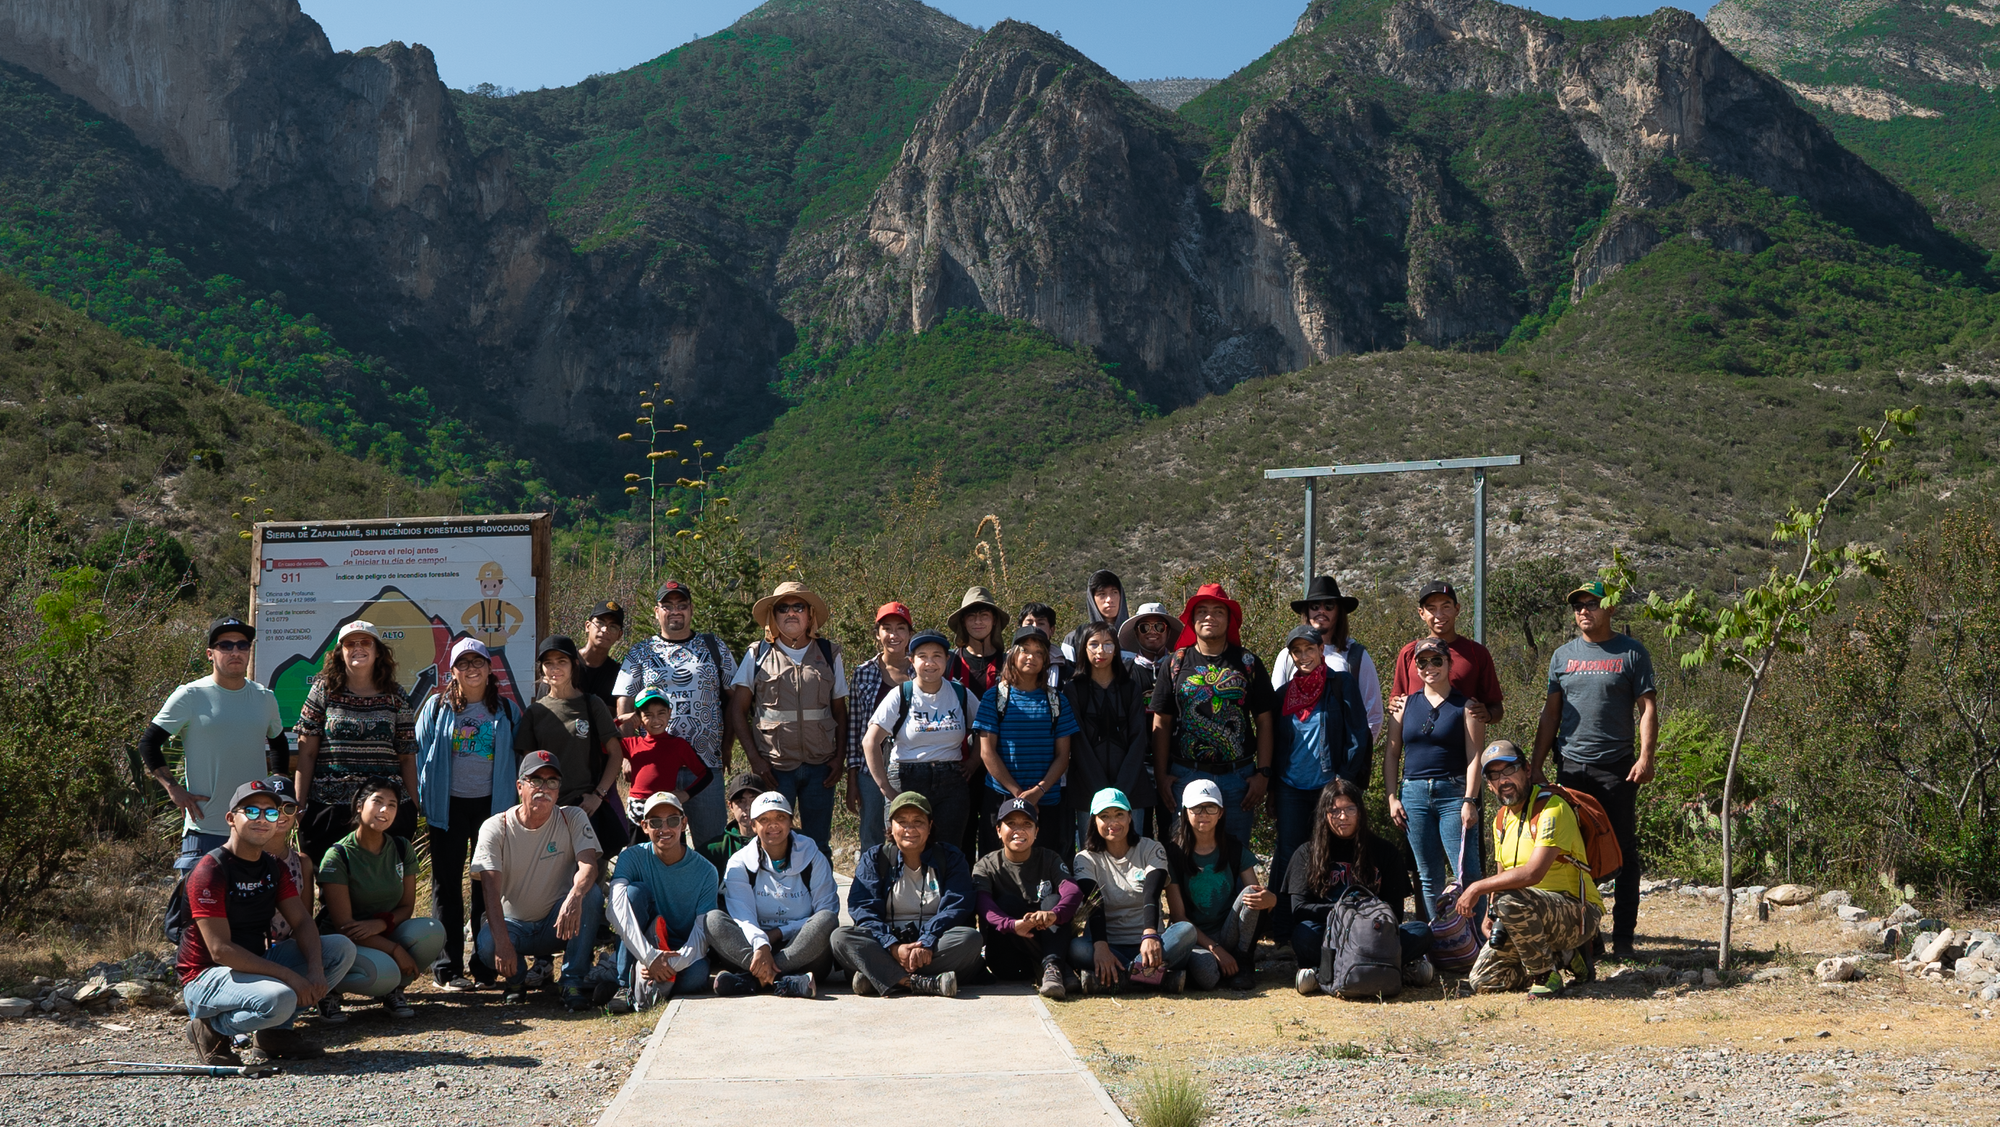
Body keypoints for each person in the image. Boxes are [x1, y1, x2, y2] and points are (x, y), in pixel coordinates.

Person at [179, 779, 357, 1065]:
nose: (262, 819)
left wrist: (315, 971)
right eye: (251, 811)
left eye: (271, 813)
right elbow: (220, 950)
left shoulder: (273, 867)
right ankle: (211, 1028)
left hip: (254, 962)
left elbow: (302, 922)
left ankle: (274, 1035)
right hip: (206, 976)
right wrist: (289, 976)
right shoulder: (211, 870)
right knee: (281, 996)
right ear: (231, 819)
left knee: (340, 949)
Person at [1530, 580, 1658, 959]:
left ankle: (1624, 940)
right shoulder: (1562, 656)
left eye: (1592, 603)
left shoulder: (1632, 653)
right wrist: (1536, 765)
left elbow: (1647, 708)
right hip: (1570, 768)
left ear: (1611, 608)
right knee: (1574, 854)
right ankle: (1585, 939)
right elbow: (1551, 713)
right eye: (1578, 605)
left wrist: (1646, 757)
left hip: (1617, 769)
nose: (1584, 610)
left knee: (1622, 855)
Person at [142, 617, 287, 928]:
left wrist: (279, 788)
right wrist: (172, 787)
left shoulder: (264, 698)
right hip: (204, 828)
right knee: (196, 921)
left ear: (250, 651)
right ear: (210, 653)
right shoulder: (191, 695)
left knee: (248, 918)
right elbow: (149, 743)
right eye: (225, 645)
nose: (235, 651)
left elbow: (278, 743)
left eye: (242, 645)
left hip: (254, 830)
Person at [414, 637, 522, 989]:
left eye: (478, 662)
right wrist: (422, 798)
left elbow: (519, 759)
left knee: (486, 885)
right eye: (464, 663)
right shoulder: (436, 709)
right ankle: (447, 968)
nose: (471, 669)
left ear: (490, 669)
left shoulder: (506, 711)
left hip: (492, 808)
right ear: (453, 671)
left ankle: (484, 965)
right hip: (448, 808)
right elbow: (419, 754)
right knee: (446, 886)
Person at [1460, 742, 1602, 997]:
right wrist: (1490, 915)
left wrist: (1476, 888)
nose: (1503, 780)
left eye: (1509, 770)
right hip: (1524, 914)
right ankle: (1563, 957)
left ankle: (1546, 976)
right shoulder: (1501, 819)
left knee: (1510, 900)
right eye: (1494, 775)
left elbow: (1533, 874)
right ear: (1488, 784)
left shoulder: (1552, 808)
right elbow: (1502, 875)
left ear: (1527, 770)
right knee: (1483, 979)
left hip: (1577, 912)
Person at [473, 751, 607, 1010]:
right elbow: (489, 890)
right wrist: (503, 943)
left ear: (559, 790)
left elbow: (589, 865)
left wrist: (575, 896)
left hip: (557, 924)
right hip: (513, 926)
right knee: (489, 945)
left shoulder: (573, 817)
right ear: (519, 786)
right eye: (536, 780)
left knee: (590, 895)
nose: (544, 788)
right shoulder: (495, 827)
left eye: (552, 782)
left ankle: (572, 981)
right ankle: (516, 979)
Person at [614, 579, 740, 848]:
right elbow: (624, 702)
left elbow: (736, 699)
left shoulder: (714, 647)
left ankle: (712, 890)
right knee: (657, 845)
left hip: (705, 766)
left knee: (712, 845)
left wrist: (727, 744)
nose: (675, 611)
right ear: (656, 611)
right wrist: (628, 755)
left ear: (691, 609)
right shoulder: (641, 651)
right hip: (654, 766)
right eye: (667, 606)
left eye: (681, 605)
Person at [1150, 583, 1278, 846]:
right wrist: (1161, 775)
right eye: (1202, 611)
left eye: (1218, 611)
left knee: (1235, 853)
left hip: (1238, 778)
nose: (1210, 617)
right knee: (1183, 853)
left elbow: (1265, 720)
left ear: (1229, 619)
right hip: (1186, 775)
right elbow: (1161, 721)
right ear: (1192, 620)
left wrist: (1263, 774)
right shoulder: (1176, 663)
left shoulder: (1248, 663)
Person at [729, 581, 848, 857]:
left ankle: (821, 900)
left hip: (821, 768)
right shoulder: (757, 654)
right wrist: (755, 760)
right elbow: (738, 710)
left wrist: (839, 758)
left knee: (818, 846)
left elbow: (840, 710)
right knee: (773, 842)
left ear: (810, 615)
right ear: (773, 615)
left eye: (798, 607)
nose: (791, 613)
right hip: (774, 768)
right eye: (783, 608)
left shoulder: (829, 654)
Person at [1268, 624, 1372, 936]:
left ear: (1320, 650)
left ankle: (1338, 923)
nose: (1303, 656)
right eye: (1296, 651)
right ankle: (1284, 928)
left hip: (1329, 787)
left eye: (1309, 649)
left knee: (1331, 853)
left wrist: (1345, 779)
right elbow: (1274, 743)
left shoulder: (1340, 685)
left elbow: (1359, 734)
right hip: (1291, 786)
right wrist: (1272, 786)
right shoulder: (1283, 695)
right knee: (1289, 853)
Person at [1287, 779, 1433, 995]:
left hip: (1374, 937)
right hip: (1329, 937)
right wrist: (1342, 916)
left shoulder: (1385, 852)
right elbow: (1299, 909)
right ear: (1324, 815)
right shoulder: (1306, 853)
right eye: (1334, 810)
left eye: (1350, 809)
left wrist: (1361, 921)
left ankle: (1324, 974)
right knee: (1303, 934)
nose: (1343, 817)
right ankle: (1393, 971)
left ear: (1360, 812)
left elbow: (1396, 913)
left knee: (1421, 932)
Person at [317, 777, 445, 1020]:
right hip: (344, 942)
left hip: (382, 932)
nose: (385, 810)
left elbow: (406, 906)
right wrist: (395, 949)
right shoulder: (338, 855)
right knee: (384, 973)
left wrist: (382, 924)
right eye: (377, 802)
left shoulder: (401, 847)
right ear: (359, 806)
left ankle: (392, 992)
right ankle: (328, 988)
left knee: (432, 930)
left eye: (392, 804)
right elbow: (345, 927)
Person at [834, 791, 981, 997]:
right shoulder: (875, 858)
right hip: (887, 944)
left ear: (930, 826)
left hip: (934, 944)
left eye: (918, 821)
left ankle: (879, 975)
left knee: (970, 939)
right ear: (891, 828)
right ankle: (919, 982)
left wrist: (926, 941)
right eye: (902, 822)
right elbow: (863, 909)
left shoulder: (950, 857)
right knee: (841, 937)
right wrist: (892, 946)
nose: (909, 829)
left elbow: (957, 906)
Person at [294, 621, 417, 864]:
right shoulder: (323, 691)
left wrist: (412, 807)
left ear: (378, 651)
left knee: (380, 888)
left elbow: (406, 755)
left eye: (365, 642)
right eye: (350, 643)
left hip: (383, 811)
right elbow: (306, 753)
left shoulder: (396, 696)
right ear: (341, 651)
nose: (357, 648)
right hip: (329, 808)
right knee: (330, 888)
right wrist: (299, 806)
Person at [1385, 635, 1487, 924]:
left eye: (1437, 660)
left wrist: (1470, 799)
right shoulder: (1403, 706)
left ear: (1449, 663)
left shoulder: (1467, 707)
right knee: (1428, 875)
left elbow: (1474, 757)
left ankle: (1476, 941)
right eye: (1423, 662)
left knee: (1466, 872)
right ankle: (1437, 942)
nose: (1430, 667)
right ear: (1415, 668)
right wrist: (1392, 797)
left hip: (1454, 794)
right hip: (1413, 794)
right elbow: (1392, 754)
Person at [704, 791, 837, 998]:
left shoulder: (813, 857)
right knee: (713, 920)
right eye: (764, 819)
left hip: (801, 950)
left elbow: (826, 909)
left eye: (780, 817)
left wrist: (778, 933)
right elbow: (743, 915)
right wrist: (762, 943)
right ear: (754, 826)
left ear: (791, 822)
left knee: (827, 919)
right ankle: (785, 982)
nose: (773, 825)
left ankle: (750, 980)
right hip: (752, 948)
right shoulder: (740, 862)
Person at [1069, 788, 1192, 993]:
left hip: (1151, 944)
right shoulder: (1084, 858)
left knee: (1186, 931)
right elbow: (1094, 902)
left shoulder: (1152, 849)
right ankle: (1151, 977)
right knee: (1076, 948)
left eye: (1119, 814)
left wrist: (1150, 936)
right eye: (1104, 816)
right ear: (1094, 821)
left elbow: (1151, 893)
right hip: (1108, 945)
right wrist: (1101, 946)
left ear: (1130, 817)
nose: (1113, 822)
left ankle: (1120, 978)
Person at [863, 630, 975, 850]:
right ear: (911, 661)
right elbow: (870, 741)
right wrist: (886, 789)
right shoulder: (900, 694)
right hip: (906, 777)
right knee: (902, 849)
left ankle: (943, 887)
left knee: (948, 851)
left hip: (951, 782)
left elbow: (985, 731)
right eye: (922, 656)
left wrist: (974, 763)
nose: (930, 662)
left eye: (937, 656)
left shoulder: (961, 693)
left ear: (947, 660)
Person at [607, 791, 718, 1013]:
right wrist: (649, 957)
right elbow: (615, 908)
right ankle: (623, 984)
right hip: (644, 946)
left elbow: (702, 932)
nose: (664, 829)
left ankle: (644, 984)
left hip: (679, 950)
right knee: (633, 894)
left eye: (673, 821)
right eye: (656, 822)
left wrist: (668, 965)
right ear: (644, 826)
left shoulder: (706, 871)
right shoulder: (632, 856)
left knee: (697, 978)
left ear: (684, 824)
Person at [517, 635, 627, 856]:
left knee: (589, 879)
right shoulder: (534, 713)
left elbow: (616, 754)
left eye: (561, 661)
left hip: (585, 809)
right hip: (547, 810)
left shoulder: (592, 704)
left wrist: (598, 795)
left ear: (574, 665)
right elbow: (526, 768)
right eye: (548, 663)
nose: (554, 668)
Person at [972, 625, 1079, 854]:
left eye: (1039, 652)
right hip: (1001, 798)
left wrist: (1038, 792)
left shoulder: (1057, 701)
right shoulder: (994, 697)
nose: (1032, 657)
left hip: (1046, 801)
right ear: (1012, 655)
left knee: (1042, 868)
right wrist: (1020, 795)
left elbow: (1063, 756)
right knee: (997, 866)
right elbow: (986, 752)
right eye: (1025, 650)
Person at [1165, 780, 1276, 991]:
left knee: (1251, 892)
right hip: (1196, 937)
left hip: (1229, 930)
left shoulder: (1234, 848)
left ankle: (1243, 960)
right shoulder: (1174, 853)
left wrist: (1272, 899)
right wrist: (1215, 949)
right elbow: (1179, 917)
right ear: (1185, 812)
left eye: (1210, 807)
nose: (1204, 813)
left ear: (1221, 812)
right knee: (1208, 977)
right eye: (1196, 808)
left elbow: (1257, 895)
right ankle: (1219, 964)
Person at [973, 797, 1082, 999]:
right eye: (1011, 823)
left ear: (1036, 832)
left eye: (1026, 824)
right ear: (998, 830)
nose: (1019, 830)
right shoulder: (986, 865)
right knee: (1008, 903)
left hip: (1050, 946)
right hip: (1008, 961)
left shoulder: (1049, 858)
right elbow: (983, 904)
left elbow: (1073, 891)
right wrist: (1012, 925)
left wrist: (1054, 915)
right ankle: (1059, 968)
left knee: (1052, 900)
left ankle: (1051, 968)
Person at [1065, 620, 1153, 839]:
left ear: (1116, 649)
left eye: (1108, 644)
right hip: (1088, 790)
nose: (1101, 651)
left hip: (1131, 788)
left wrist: (1121, 790)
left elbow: (1138, 739)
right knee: (1092, 858)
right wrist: (1102, 791)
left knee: (1133, 856)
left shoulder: (1130, 688)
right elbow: (1078, 743)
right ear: (1083, 649)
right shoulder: (1073, 690)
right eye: (1093, 644)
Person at [1271, 576, 1384, 743]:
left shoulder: (1355, 657)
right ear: (1307, 612)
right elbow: (1275, 710)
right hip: (1295, 761)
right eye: (1315, 606)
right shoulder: (1287, 657)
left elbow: (1373, 713)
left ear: (1339, 612)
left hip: (1339, 763)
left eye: (1329, 606)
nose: (1321, 611)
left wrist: (1356, 758)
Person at [847, 602, 916, 852]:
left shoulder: (922, 671)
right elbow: (855, 728)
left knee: (910, 834)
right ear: (878, 634)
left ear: (909, 634)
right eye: (887, 628)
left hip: (912, 765)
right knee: (872, 836)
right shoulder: (863, 672)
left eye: (900, 628)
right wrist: (852, 778)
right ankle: (872, 888)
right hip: (870, 770)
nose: (893, 635)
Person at [1390, 581, 1504, 724]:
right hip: (1417, 745)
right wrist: (1394, 705)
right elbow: (1396, 703)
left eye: (1446, 607)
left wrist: (1487, 715)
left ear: (1457, 609)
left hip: (1462, 745)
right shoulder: (1409, 653)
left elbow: (1497, 708)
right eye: (1431, 609)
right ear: (1421, 613)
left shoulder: (1477, 653)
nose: (1439, 615)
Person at [621, 688, 714, 820]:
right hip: (637, 810)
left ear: (669, 713)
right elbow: (601, 746)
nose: (655, 720)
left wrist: (686, 794)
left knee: (670, 840)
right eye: (648, 715)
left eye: (661, 713)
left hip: (665, 808)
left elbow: (706, 774)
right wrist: (621, 719)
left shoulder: (678, 745)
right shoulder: (631, 743)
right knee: (636, 842)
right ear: (638, 717)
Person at [945, 586, 1008, 699]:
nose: (978, 621)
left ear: (994, 620)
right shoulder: (948, 662)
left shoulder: (1008, 664)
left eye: (984, 615)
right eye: (971, 616)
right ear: (963, 621)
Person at [699, 773, 763, 877]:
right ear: (731, 806)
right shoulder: (715, 849)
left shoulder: (781, 841)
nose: (747, 807)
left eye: (754, 800)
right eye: (740, 801)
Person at [1116, 601, 1176, 698]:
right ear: (1136, 633)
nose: (1152, 631)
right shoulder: (1123, 673)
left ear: (1168, 631)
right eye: (1144, 627)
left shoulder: (1180, 670)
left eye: (1159, 626)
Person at [577, 599, 627, 710]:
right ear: (587, 626)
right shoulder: (567, 663)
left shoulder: (619, 674)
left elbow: (610, 716)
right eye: (600, 623)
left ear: (619, 635)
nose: (605, 630)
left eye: (613, 626)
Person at [1019, 603, 1067, 684]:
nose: (1035, 627)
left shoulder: (1065, 671)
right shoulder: (1005, 663)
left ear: (1052, 630)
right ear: (1019, 629)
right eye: (1029, 623)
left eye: (1041, 623)